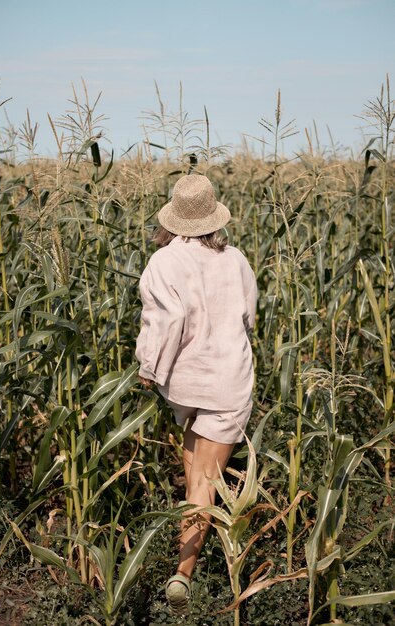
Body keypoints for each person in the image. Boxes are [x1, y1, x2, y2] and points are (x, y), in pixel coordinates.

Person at [135, 174, 257, 614]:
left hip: (184, 384)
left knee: (195, 474)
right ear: (212, 217)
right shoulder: (236, 259)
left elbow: (163, 322)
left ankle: (188, 564)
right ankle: (187, 573)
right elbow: (248, 316)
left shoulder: (163, 262)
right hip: (227, 382)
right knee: (204, 483)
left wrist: (149, 368)